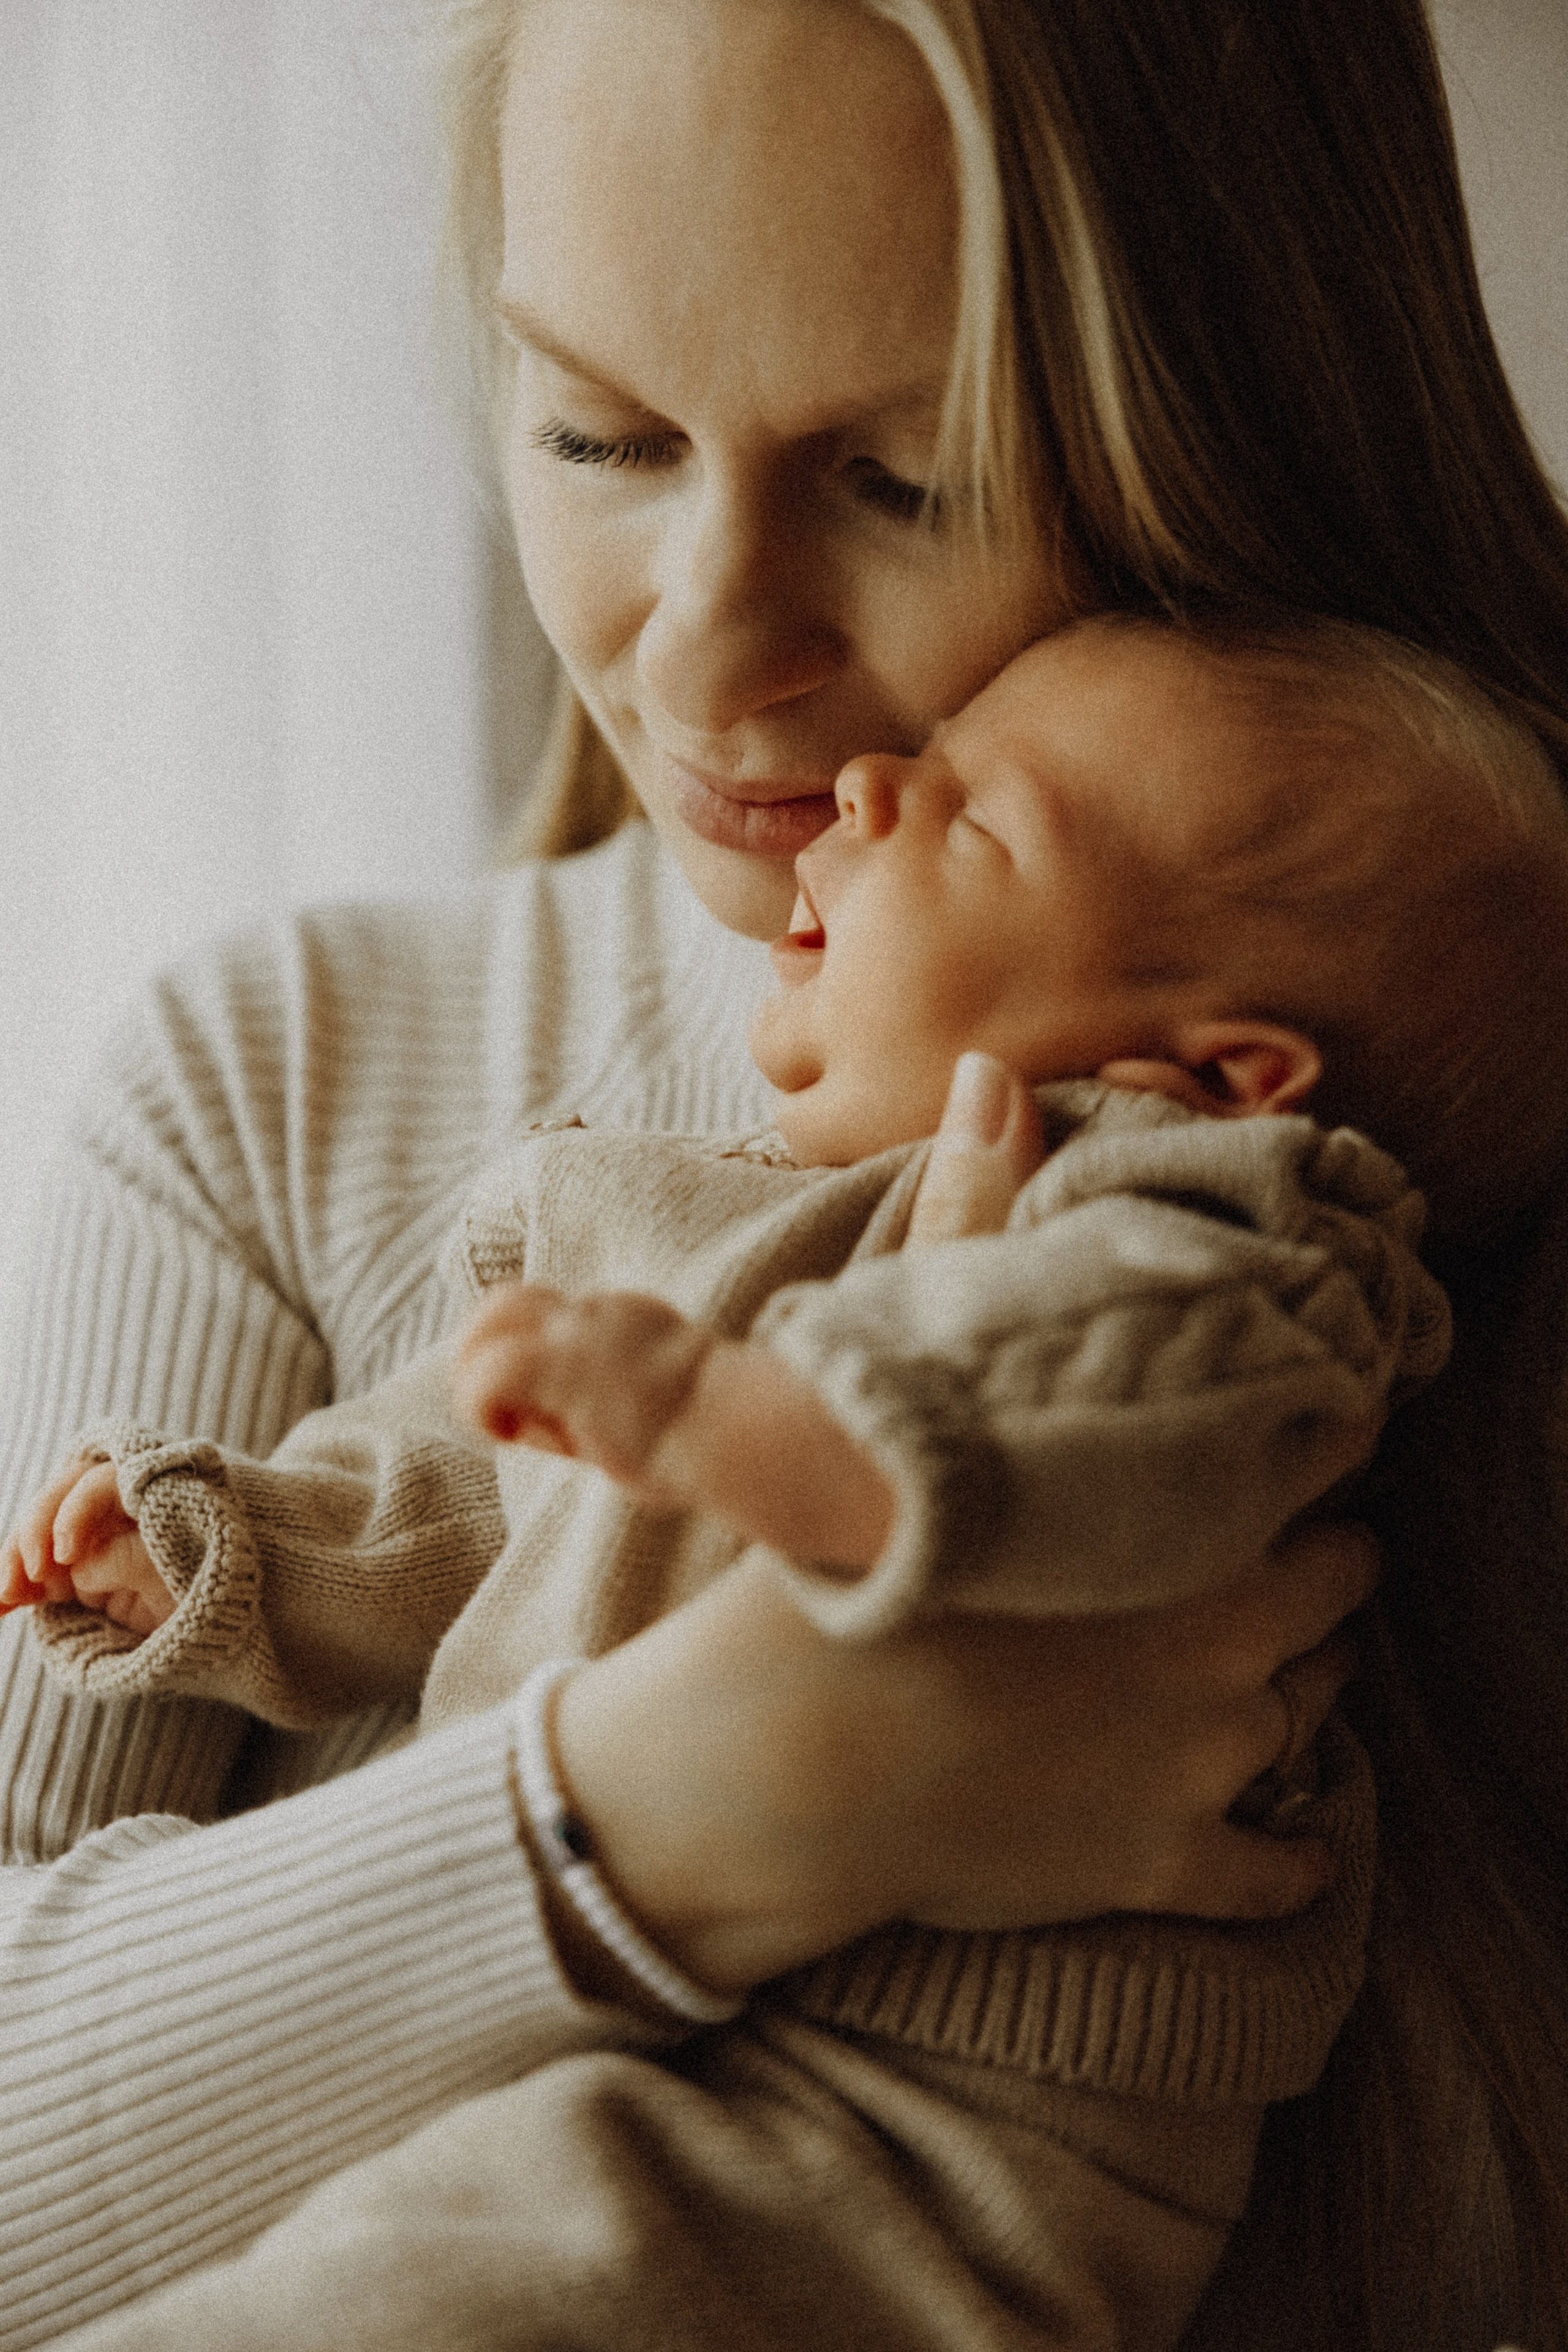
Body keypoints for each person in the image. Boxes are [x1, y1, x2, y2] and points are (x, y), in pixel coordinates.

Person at [2, 3, 1567, 2348]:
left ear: (1239, 421)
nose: (716, 653)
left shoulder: (1359, 1132)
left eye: (911, 477)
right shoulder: (267, 1086)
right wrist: (727, 1791)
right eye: (595, 429)